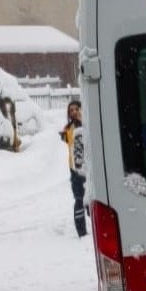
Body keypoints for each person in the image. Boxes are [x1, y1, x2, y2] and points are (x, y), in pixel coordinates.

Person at [60, 100, 87, 237]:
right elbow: (70, 140)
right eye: (71, 110)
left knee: (91, 200)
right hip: (75, 170)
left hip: (89, 169)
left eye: (77, 109)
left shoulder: (88, 124)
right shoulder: (68, 129)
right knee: (79, 199)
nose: (74, 112)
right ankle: (81, 231)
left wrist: (83, 122)